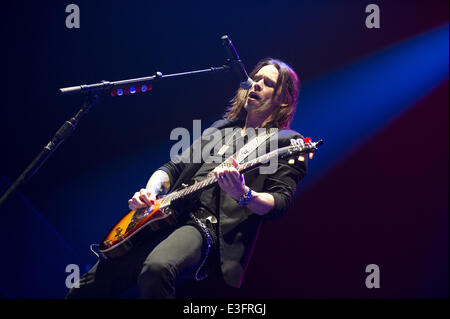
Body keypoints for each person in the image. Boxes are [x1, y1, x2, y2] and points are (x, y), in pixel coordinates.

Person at [66, 58, 307, 299]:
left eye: (267, 83)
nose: (256, 85)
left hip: (206, 226)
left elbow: (280, 202)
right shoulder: (222, 128)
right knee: (93, 281)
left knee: (157, 267)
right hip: (168, 213)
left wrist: (243, 194)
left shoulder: (285, 142)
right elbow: (172, 168)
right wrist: (150, 193)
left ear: (284, 99)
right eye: (255, 79)